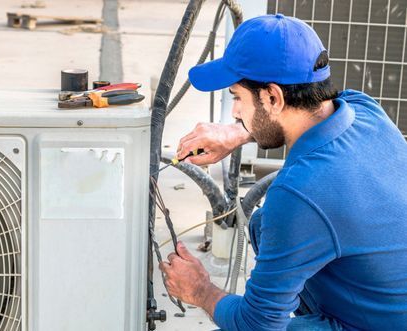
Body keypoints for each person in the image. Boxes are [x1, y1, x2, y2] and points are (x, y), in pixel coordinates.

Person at [159, 14, 407, 331]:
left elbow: (257, 323)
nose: (234, 111)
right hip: (391, 295)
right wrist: (239, 133)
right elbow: (306, 116)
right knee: (264, 224)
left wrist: (201, 291)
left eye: (237, 96)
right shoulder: (363, 108)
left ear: (273, 97)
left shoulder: (299, 193)